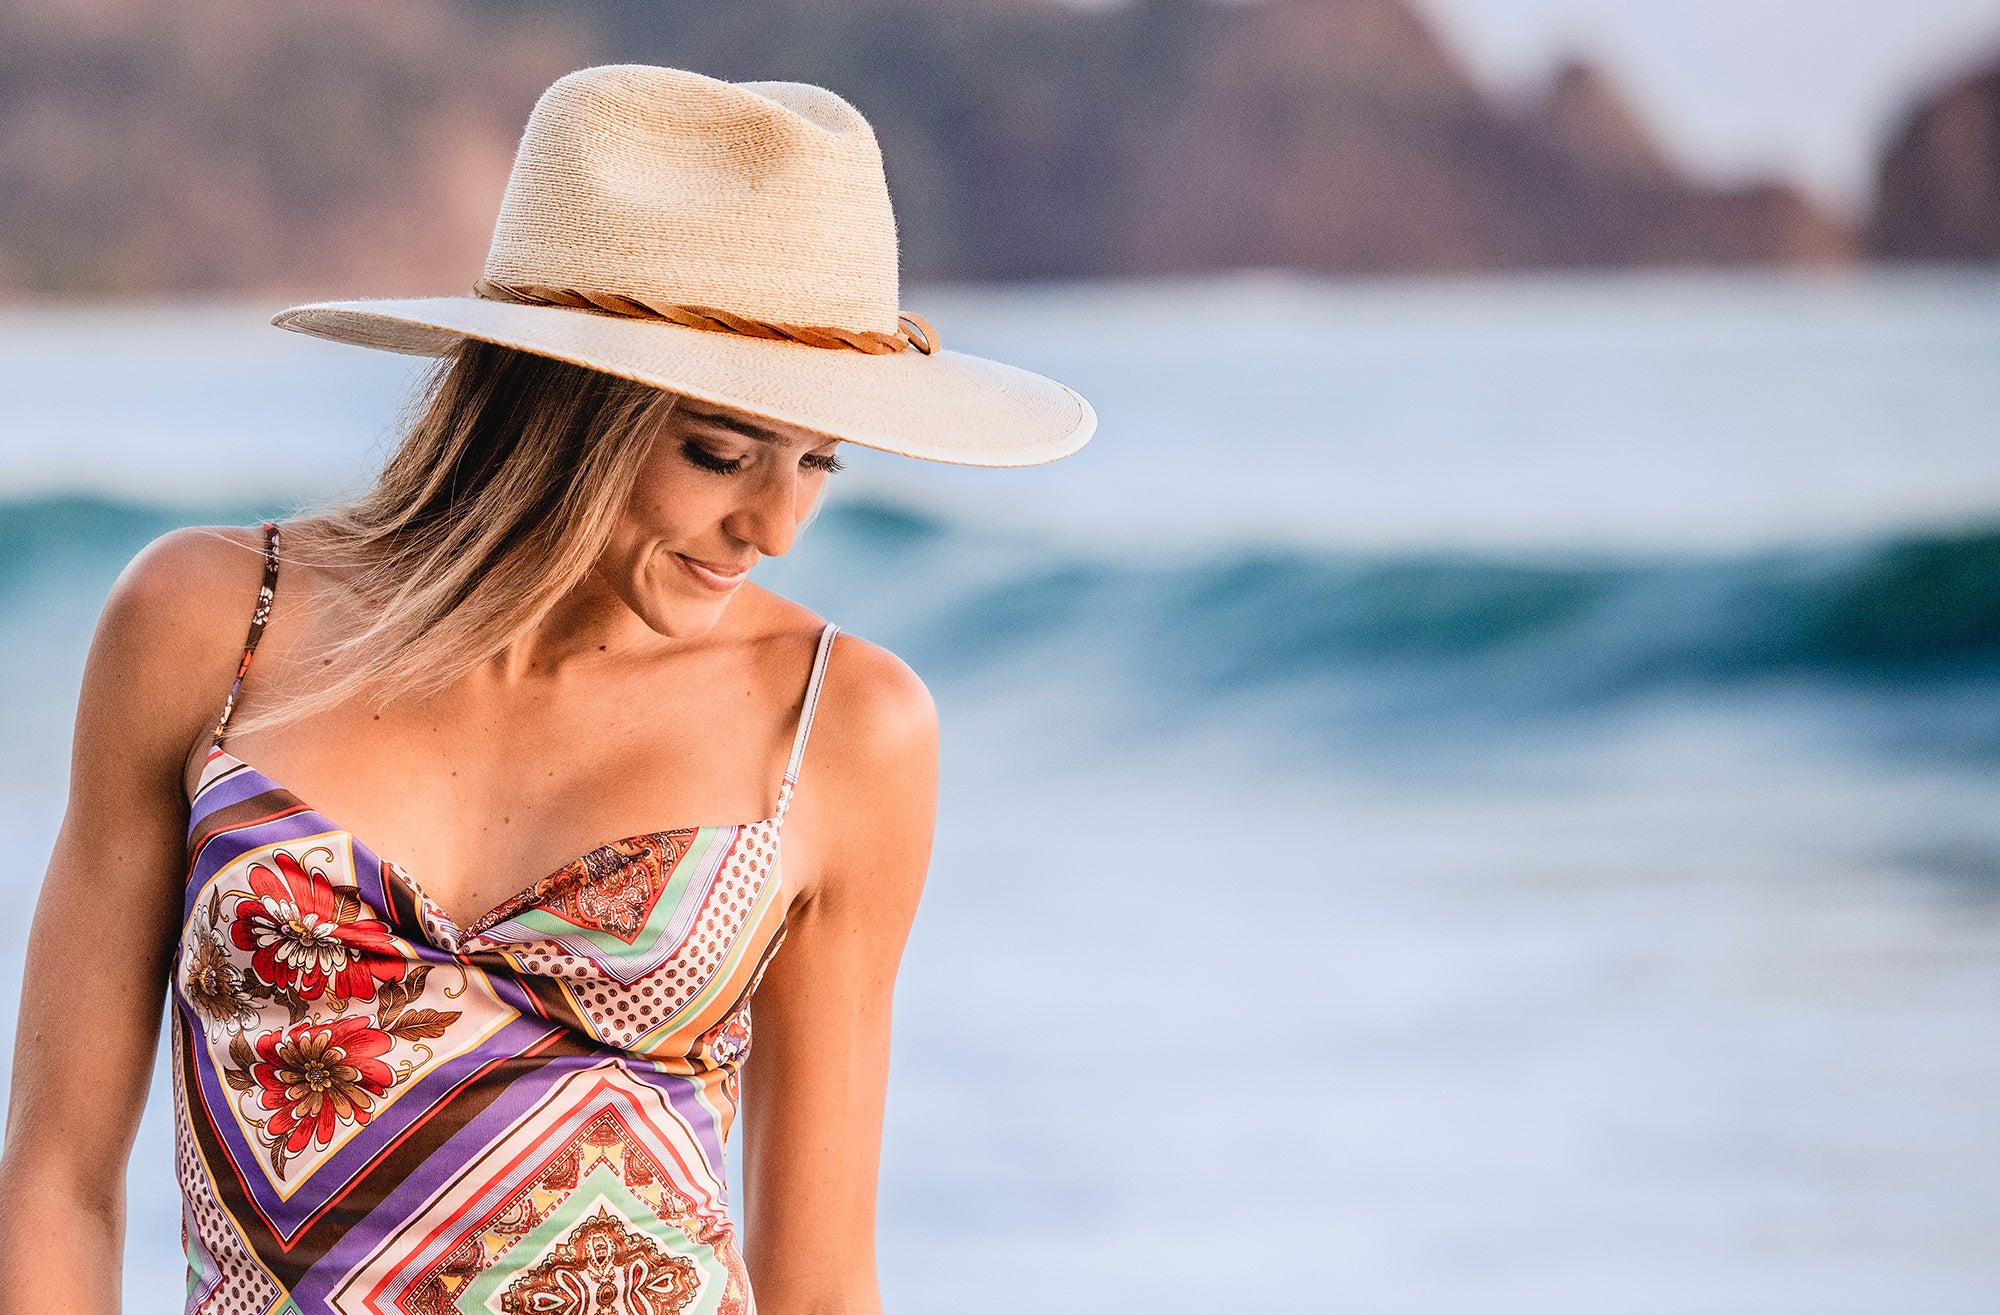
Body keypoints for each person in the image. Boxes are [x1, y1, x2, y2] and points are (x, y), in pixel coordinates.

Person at [0, 64, 1093, 1314]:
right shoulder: (209, 623)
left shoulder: (841, 725)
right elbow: (56, 1177)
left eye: (815, 463)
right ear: (558, 405)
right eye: (718, 451)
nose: (773, 528)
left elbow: (822, 1282)